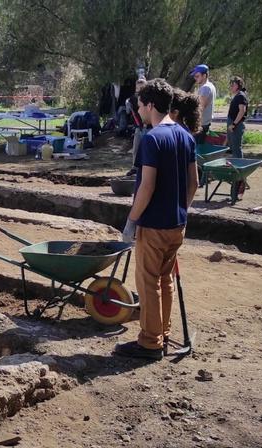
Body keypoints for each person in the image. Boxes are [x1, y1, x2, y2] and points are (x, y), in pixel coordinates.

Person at [115, 79, 197, 361]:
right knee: (165, 280)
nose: (138, 111)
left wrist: (132, 220)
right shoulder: (185, 136)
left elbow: (147, 186)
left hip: (154, 226)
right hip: (177, 226)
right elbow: (194, 183)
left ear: (150, 105)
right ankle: (162, 333)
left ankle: (150, 343)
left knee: (148, 283)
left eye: (139, 105)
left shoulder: (152, 139)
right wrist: (180, 210)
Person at [190, 64, 216, 143]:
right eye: (194, 76)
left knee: (195, 150)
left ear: (204, 75)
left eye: (197, 76)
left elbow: (200, 107)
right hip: (205, 123)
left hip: (200, 124)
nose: (195, 78)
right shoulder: (210, 86)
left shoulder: (205, 88)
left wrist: (193, 122)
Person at [127, 78, 149, 170]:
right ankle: (135, 167)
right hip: (138, 126)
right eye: (137, 88)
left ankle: (147, 167)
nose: (139, 90)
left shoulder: (149, 98)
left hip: (149, 127)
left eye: (141, 88)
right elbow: (132, 112)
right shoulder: (132, 99)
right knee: (136, 148)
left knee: (147, 149)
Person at [227, 76, 249, 158]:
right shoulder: (237, 96)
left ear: (238, 85)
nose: (231, 86)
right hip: (234, 124)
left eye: (233, 84)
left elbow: (242, 111)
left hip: (237, 125)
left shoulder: (241, 96)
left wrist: (234, 124)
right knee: (233, 148)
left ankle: (239, 166)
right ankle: (236, 166)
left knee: (236, 148)